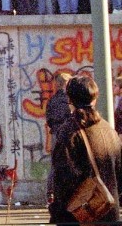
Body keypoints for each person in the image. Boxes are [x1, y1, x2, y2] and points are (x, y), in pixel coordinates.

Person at [50, 75, 122, 225]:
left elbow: (62, 178)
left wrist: (56, 211)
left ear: (70, 99)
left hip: (78, 214)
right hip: (108, 211)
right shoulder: (108, 130)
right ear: (94, 99)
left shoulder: (68, 131)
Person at [45, 72, 72, 204]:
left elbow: (48, 119)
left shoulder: (52, 100)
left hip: (56, 133)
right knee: (71, 163)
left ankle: (50, 193)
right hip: (69, 134)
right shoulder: (69, 100)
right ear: (66, 83)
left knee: (55, 164)